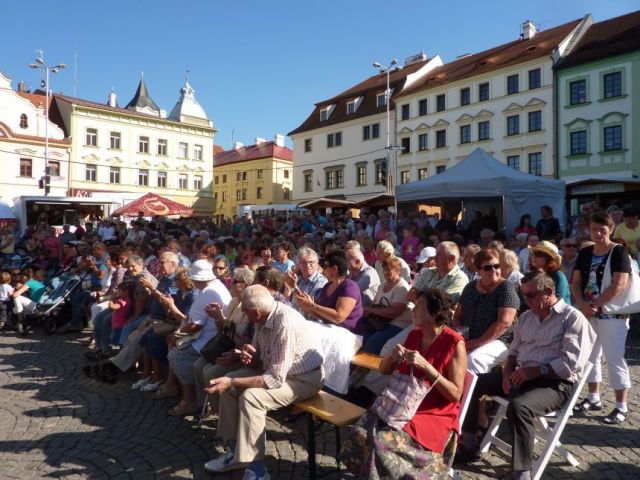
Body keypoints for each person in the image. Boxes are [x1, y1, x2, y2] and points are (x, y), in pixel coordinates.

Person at [457, 271, 596, 480]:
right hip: (521, 375)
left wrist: (536, 371)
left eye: (531, 296)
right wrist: (506, 372)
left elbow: (570, 364)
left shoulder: (572, 318)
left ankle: (522, 471)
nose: (526, 301)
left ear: (548, 292)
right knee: (473, 382)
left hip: (553, 384)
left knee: (519, 407)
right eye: (524, 296)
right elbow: (512, 352)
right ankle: (469, 441)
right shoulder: (527, 317)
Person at [339, 288, 467, 478]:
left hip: (432, 412)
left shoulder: (454, 342)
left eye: (419, 306)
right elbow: (384, 369)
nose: (413, 310)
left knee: (381, 443)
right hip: (403, 403)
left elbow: (456, 394)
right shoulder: (415, 335)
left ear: (433, 315)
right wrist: (392, 358)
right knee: (361, 431)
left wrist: (428, 368)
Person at [203, 285, 324, 480]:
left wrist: (232, 380)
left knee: (251, 397)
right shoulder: (263, 316)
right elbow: (262, 360)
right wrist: (246, 354)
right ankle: (235, 453)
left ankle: (258, 471)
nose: (242, 312)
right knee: (227, 387)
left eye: (245, 310)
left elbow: (274, 379)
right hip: (280, 372)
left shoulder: (284, 324)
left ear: (257, 312)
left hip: (305, 379)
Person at [570, 213, 633, 424]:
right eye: (594, 229)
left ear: (611, 230)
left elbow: (619, 284)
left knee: (614, 358)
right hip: (589, 311)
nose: (598, 233)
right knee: (589, 356)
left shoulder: (619, 252)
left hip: (613, 314)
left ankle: (621, 406)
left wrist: (596, 305)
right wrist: (582, 304)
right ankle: (593, 396)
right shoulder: (586, 252)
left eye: (602, 230)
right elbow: (576, 282)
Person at [166, 259, 231, 416]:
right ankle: (177, 388)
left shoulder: (207, 292)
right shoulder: (214, 287)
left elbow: (195, 325)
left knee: (176, 355)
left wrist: (177, 335)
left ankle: (190, 400)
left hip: (210, 341)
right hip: (215, 336)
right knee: (172, 345)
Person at [193, 266, 255, 409]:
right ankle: (203, 405)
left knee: (210, 373)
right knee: (197, 366)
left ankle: (219, 411)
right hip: (225, 344)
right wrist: (217, 317)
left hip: (237, 350)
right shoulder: (234, 301)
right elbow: (223, 330)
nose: (231, 283)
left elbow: (241, 334)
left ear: (245, 284)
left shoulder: (250, 304)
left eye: (235, 281)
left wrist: (222, 318)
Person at [453, 248, 520, 374]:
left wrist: (475, 344)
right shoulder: (470, 287)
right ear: (478, 271)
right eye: (488, 268)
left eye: (496, 266)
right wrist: (460, 333)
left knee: (473, 360)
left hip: (499, 341)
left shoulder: (506, 288)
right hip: (469, 338)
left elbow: (503, 324)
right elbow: (457, 315)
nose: (493, 270)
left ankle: (473, 392)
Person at [295, 250, 364, 335]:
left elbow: (339, 317)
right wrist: (308, 308)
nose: (323, 269)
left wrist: (313, 305)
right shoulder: (328, 286)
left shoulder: (349, 287)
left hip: (348, 333)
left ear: (334, 269)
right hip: (329, 329)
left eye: (326, 266)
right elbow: (323, 315)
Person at [361, 256, 412, 354]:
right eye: (384, 269)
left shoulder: (402, 287)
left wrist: (371, 310)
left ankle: (363, 368)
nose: (385, 272)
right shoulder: (382, 286)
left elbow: (394, 312)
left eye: (389, 270)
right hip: (380, 321)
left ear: (398, 270)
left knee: (374, 340)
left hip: (397, 323)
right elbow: (374, 304)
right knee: (361, 333)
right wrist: (367, 311)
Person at [283, 247, 328, 312]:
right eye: (303, 262)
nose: (307, 265)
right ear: (298, 264)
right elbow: (287, 302)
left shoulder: (321, 281)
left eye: (311, 262)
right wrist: (288, 287)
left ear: (317, 263)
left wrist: (294, 287)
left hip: (309, 320)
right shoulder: (298, 279)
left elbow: (308, 306)